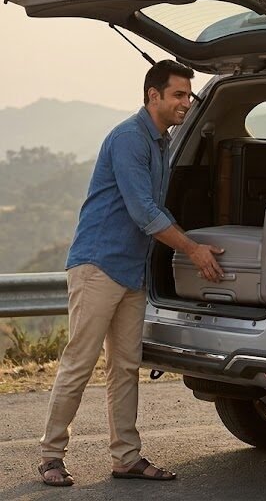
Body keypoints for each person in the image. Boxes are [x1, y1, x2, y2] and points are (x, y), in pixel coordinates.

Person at [38, 60, 225, 486]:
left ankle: (126, 457)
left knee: (124, 367)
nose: (186, 102)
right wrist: (192, 249)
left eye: (188, 94)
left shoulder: (161, 142)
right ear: (152, 96)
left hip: (131, 270)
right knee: (79, 364)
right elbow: (144, 212)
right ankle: (50, 456)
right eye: (178, 94)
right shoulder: (129, 138)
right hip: (99, 264)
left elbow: (155, 211)